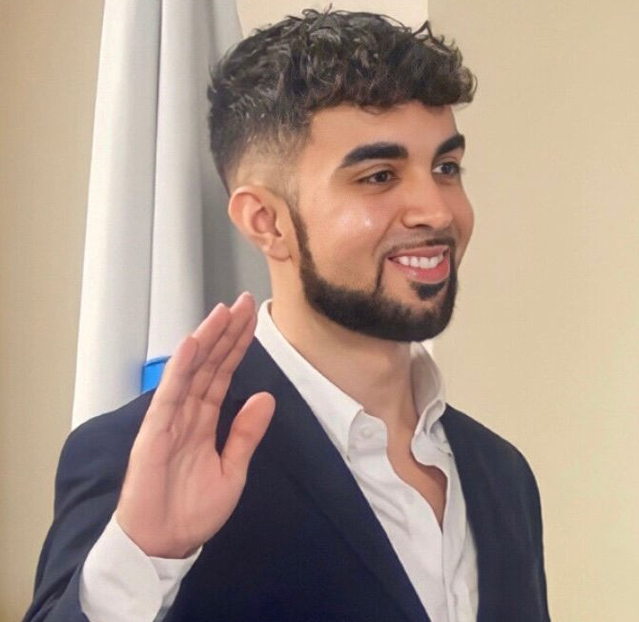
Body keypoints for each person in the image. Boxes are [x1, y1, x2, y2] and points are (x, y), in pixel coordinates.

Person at [24, 9, 549, 622]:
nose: (436, 210)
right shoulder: (144, 456)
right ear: (266, 221)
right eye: (379, 176)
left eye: (446, 168)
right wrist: (141, 557)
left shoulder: (502, 475)